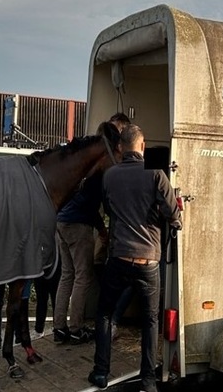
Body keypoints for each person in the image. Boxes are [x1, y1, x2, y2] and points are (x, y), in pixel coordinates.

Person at [88, 124, 182, 392]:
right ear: (142, 147)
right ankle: (148, 381)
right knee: (150, 321)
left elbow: (108, 208)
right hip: (148, 261)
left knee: (104, 314)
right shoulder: (156, 173)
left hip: (118, 258)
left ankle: (100, 373)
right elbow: (172, 213)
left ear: (121, 147)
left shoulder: (110, 175)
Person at [52, 123, 111, 345]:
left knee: (67, 275)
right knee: (82, 277)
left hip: (62, 221)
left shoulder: (81, 160)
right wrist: (103, 228)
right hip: (78, 225)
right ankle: (76, 328)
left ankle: (59, 327)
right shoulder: (97, 167)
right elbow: (90, 206)